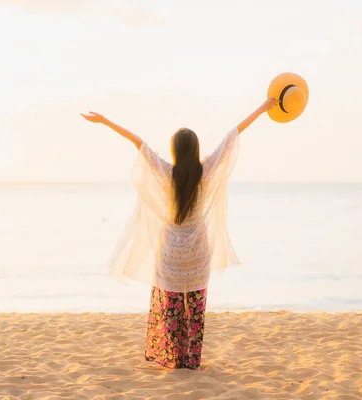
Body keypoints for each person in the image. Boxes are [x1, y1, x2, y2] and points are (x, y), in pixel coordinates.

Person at [81, 97, 277, 370]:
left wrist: (104, 121)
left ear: (174, 151)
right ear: (195, 149)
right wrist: (262, 108)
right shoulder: (206, 171)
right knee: (194, 313)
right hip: (197, 257)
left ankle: (174, 359)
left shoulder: (167, 173)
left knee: (171, 312)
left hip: (171, 256)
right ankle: (192, 360)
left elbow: (138, 143)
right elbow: (233, 136)